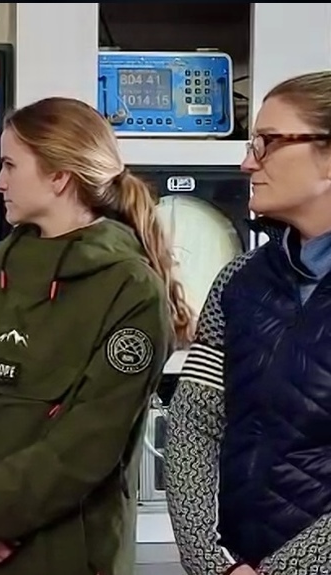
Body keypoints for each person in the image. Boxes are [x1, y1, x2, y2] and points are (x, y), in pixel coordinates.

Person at [0, 96, 195, 575]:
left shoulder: (131, 290)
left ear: (59, 177)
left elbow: (84, 449)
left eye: (10, 165)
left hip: (63, 555)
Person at [166, 71, 331, 575]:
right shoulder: (240, 280)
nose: (247, 161)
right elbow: (193, 428)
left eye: (268, 142)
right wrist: (214, 564)